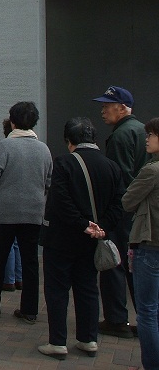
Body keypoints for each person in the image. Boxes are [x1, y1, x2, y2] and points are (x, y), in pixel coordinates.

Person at [38, 117, 123, 360]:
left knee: (57, 290)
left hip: (62, 239)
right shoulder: (111, 166)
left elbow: (60, 202)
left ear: (69, 140)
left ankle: (58, 342)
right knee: (88, 289)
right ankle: (88, 339)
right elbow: (120, 203)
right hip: (93, 241)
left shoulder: (64, 164)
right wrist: (101, 227)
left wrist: (83, 224)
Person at [0, 101, 52, 322]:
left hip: (7, 211)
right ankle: (29, 309)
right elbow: (49, 180)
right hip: (34, 211)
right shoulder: (43, 148)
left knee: (0, 255)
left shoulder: (5, 146)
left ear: (12, 121)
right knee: (30, 261)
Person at [93, 85, 149, 337]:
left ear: (123, 108)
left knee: (114, 261)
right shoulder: (141, 131)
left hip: (123, 211)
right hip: (142, 211)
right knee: (136, 265)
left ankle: (116, 319)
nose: (103, 111)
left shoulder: (120, 135)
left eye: (107, 106)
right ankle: (147, 318)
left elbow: (118, 177)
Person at [122, 117, 159, 369]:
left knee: (146, 311)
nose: (146, 139)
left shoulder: (151, 171)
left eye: (151, 135)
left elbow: (127, 201)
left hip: (149, 245)